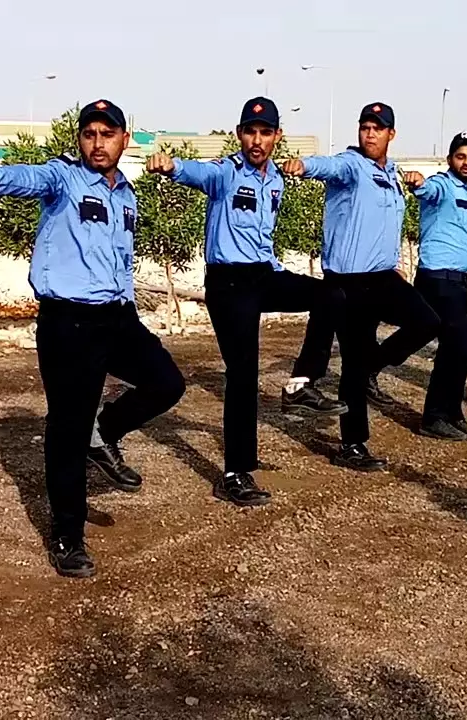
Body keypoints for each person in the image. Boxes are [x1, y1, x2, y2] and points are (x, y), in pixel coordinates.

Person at [0, 99, 186, 579]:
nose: (98, 143)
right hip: (68, 322)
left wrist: (129, 308)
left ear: (125, 138)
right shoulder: (63, 179)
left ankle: (105, 433)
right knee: (66, 427)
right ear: (80, 140)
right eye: (89, 134)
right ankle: (67, 536)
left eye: (107, 134)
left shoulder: (126, 194)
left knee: (167, 383)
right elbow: (29, 178)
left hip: (116, 317)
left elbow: (120, 258)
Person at [144, 97, 344, 501]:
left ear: (277, 137)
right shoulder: (224, 173)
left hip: (264, 274)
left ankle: (300, 383)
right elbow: (195, 172)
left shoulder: (276, 182)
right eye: (250, 132)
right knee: (243, 376)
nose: (257, 140)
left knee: (331, 294)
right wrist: (171, 166)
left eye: (265, 132)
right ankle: (235, 474)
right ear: (239, 134)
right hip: (229, 283)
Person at [279, 102, 440, 467]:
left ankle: (375, 366)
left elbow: (386, 225)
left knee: (428, 322)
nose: (370, 134)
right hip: (348, 281)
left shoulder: (392, 174)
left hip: (382, 276)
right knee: (352, 363)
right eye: (365, 127)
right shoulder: (352, 166)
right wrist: (304, 166)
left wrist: (394, 262)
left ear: (391, 134)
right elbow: (328, 165)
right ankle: (352, 446)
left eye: (378, 128)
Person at [401, 132, 467, 440]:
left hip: (458, 280)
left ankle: (451, 411)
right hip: (440, 278)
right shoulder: (442, 185)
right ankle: (434, 416)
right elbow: (426, 190)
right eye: (461, 156)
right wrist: (417, 183)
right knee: (452, 348)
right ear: (450, 159)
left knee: (461, 350)